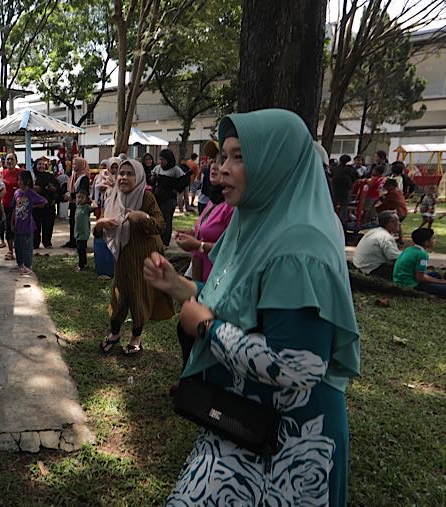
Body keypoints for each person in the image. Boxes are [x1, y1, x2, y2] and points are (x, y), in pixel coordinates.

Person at [145, 109, 360, 506]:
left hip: (289, 445)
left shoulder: (300, 245)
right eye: (223, 156)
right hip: (243, 425)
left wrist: (207, 328)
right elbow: (240, 297)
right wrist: (180, 286)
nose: (221, 169)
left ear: (275, 163)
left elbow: (300, 366)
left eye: (239, 156)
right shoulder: (256, 224)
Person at [96, 159, 173, 355]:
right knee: (119, 296)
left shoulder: (146, 198)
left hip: (143, 257)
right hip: (122, 257)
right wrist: (100, 224)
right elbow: (100, 230)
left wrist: (142, 217)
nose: (124, 177)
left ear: (138, 177)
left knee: (139, 296)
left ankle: (136, 338)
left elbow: (160, 226)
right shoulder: (113, 197)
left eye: (130, 174)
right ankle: (114, 333)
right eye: (121, 173)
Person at [174, 158, 234, 283]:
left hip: (216, 281)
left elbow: (231, 250)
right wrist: (191, 233)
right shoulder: (213, 201)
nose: (214, 166)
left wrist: (198, 245)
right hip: (200, 279)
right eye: (213, 160)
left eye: (221, 160)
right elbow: (207, 232)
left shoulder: (232, 207)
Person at [149, 149, 188, 246]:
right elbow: (151, 182)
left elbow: (182, 183)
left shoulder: (176, 170)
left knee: (167, 219)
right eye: (160, 159)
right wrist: (153, 178)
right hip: (158, 197)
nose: (161, 162)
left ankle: (165, 241)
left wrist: (173, 186)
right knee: (157, 218)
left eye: (163, 160)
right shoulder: (157, 168)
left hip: (169, 199)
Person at [11, 171, 46, 275]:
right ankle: (20, 264)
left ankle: (28, 265)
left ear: (27, 181)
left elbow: (43, 201)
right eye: (18, 180)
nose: (19, 182)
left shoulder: (31, 193)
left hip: (28, 224)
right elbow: (14, 208)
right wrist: (11, 223)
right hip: (18, 224)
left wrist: (33, 206)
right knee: (18, 246)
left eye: (21, 180)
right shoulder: (16, 192)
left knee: (27, 246)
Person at [393, 227, 446, 297]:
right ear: (426, 242)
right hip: (410, 284)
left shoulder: (409, 249)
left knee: (436, 274)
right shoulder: (422, 255)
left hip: (399, 280)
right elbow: (420, 278)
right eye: (432, 238)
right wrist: (441, 282)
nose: (434, 241)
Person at [353, 210, 401, 279]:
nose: (399, 223)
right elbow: (395, 258)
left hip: (361, 266)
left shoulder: (374, 231)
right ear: (391, 222)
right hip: (371, 270)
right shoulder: (386, 237)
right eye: (397, 221)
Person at [62, 157, 91, 248]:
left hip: (81, 205)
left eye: (75, 164)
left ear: (81, 165)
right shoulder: (74, 175)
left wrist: (71, 195)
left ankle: (79, 242)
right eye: (73, 164)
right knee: (72, 222)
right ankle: (72, 240)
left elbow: (83, 191)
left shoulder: (84, 177)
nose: (73, 166)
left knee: (79, 224)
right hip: (73, 203)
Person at [0, 153, 23, 259]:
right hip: (6, 205)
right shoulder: (1, 173)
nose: (9, 161)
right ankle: (10, 251)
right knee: (8, 228)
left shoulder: (21, 173)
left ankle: (20, 250)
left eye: (12, 159)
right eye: (7, 159)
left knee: (19, 228)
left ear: (16, 161)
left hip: (20, 206)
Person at [32, 157, 59, 249]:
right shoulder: (32, 176)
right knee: (35, 225)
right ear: (35, 165)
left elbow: (57, 186)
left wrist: (52, 189)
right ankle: (35, 243)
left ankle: (47, 242)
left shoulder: (49, 176)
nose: (41, 166)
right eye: (39, 164)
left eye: (43, 164)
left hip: (49, 204)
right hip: (36, 205)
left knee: (48, 224)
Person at [331, 154, 357, 229]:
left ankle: (333, 219)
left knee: (334, 205)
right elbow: (355, 177)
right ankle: (342, 222)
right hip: (345, 189)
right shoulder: (349, 169)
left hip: (335, 189)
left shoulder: (336, 169)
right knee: (344, 206)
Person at [73, 192, 92, 271]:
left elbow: (95, 206)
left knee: (81, 250)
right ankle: (84, 263)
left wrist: (91, 200)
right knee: (80, 249)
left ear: (86, 199)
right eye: (78, 197)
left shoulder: (86, 207)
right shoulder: (77, 207)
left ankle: (81, 266)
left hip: (84, 233)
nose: (79, 199)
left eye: (82, 197)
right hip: (78, 232)